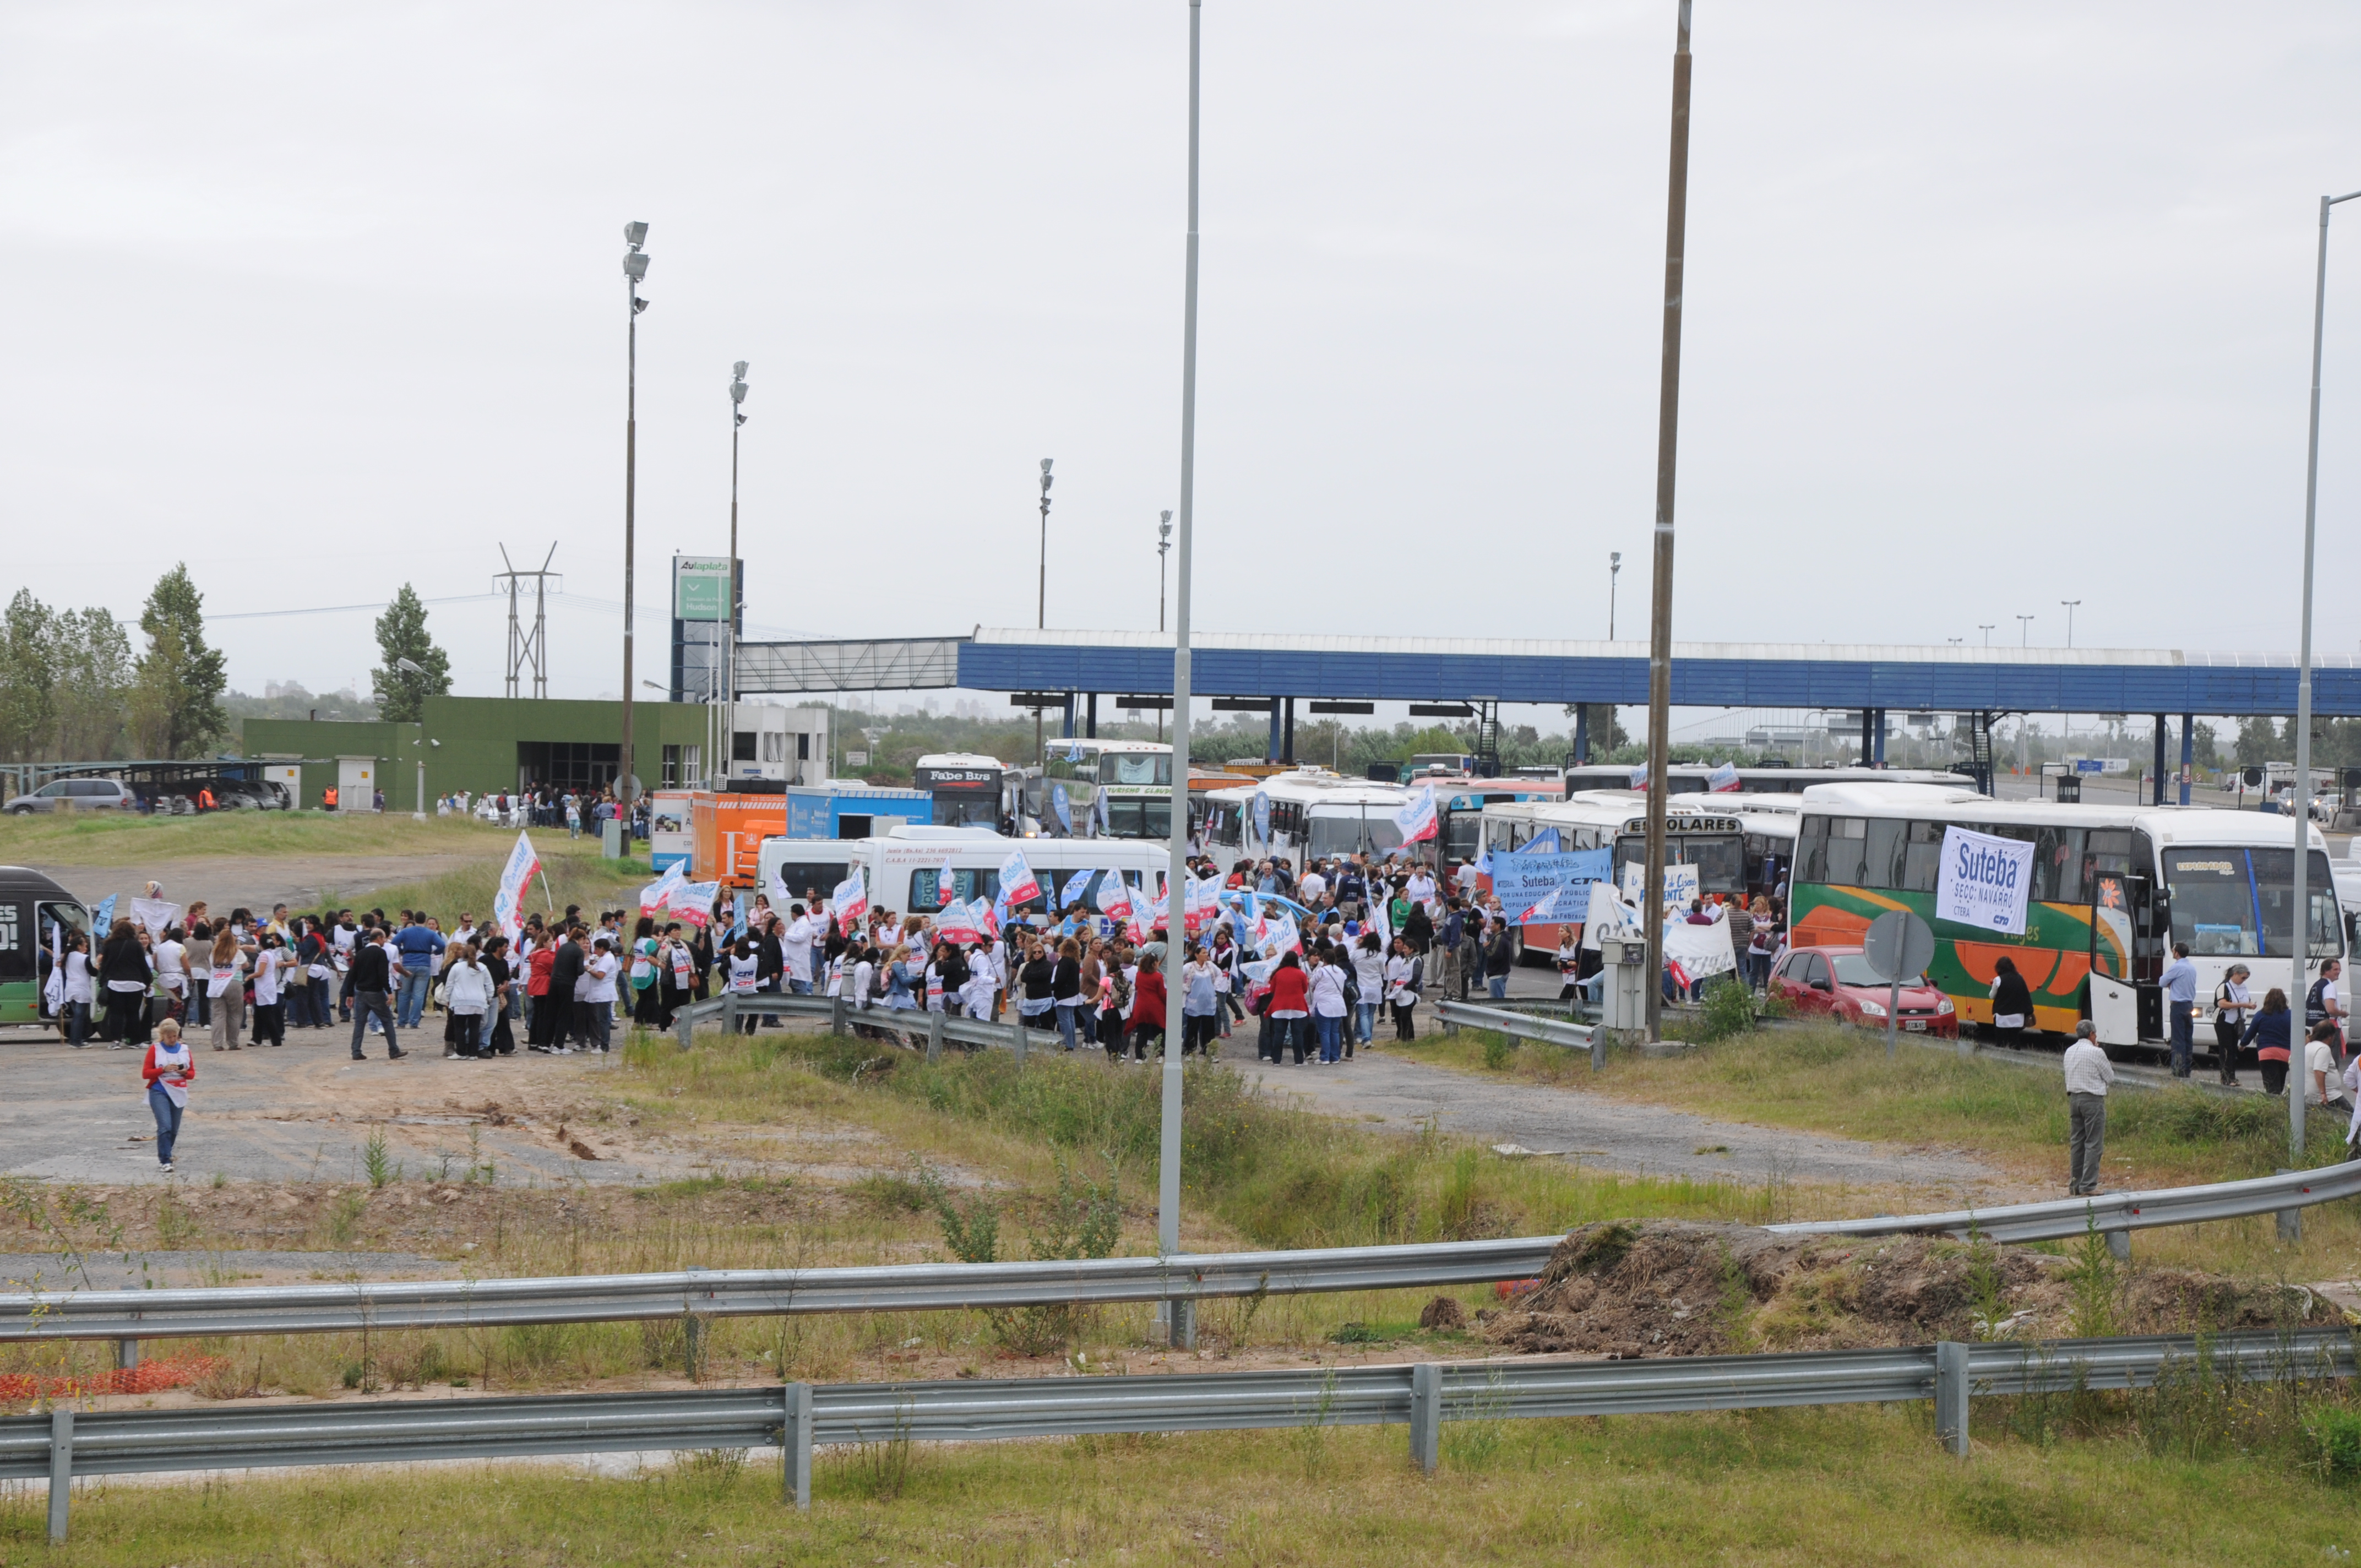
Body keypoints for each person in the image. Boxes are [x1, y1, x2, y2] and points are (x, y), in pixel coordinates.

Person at [2061, 1019, 2114, 1196]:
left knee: (2077, 1143)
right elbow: (2110, 1077)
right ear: (2092, 1034)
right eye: (2095, 1034)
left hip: (2074, 1099)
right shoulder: (2096, 1052)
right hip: (2092, 1100)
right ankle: (2089, 1185)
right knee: (2093, 1143)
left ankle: (2075, 1185)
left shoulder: (2069, 1051)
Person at [142, 1017, 197, 1175]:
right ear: (163, 1036)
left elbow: (192, 1073)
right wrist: (163, 1070)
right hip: (159, 1090)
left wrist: (184, 1072)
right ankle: (165, 1160)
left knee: (174, 1129)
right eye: (169, 1037)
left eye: (175, 1036)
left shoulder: (184, 1050)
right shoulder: (155, 1049)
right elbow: (146, 1073)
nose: (173, 1040)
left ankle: (167, 1152)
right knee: (165, 1126)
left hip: (178, 1092)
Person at [348, 927, 404, 1060]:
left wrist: (350, 994)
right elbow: (383, 975)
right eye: (384, 938)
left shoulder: (361, 953)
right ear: (379, 938)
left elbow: (353, 974)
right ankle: (394, 1050)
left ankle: (356, 1051)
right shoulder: (380, 953)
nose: (385, 941)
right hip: (375, 992)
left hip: (360, 992)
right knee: (387, 1020)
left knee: (360, 1023)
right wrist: (389, 992)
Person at [2241, 987, 2295, 1096]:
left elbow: (2251, 1032)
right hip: (2285, 1053)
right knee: (2280, 1082)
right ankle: (2278, 1099)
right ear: (2284, 1000)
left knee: (2271, 1084)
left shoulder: (2261, 1015)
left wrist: (2243, 1044)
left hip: (2266, 1053)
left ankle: (2273, 1102)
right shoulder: (2291, 1015)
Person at [205, 927, 248, 1052]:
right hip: (234, 983)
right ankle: (233, 1042)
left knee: (218, 1016)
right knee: (235, 1014)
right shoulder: (237, 952)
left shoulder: (214, 953)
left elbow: (210, 966)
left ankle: (217, 1044)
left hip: (216, 985)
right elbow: (246, 965)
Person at [1265, 951, 1310, 1065]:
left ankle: (1277, 1061)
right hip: (1297, 1007)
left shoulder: (1278, 973)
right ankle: (1299, 1061)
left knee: (1279, 1035)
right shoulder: (1301, 974)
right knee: (1297, 1035)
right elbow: (1305, 990)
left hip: (1280, 1007)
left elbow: (1272, 990)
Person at [2160, 940, 2197, 1077]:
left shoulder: (2177, 967)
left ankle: (2178, 1070)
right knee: (2188, 1038)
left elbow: (2162, 982)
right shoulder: (2192, 968)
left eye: (2173, 950)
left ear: (2177, 953)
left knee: (2178, 1040)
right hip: (2189, 1005)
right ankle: (2187, 1070)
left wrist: (2171, 984)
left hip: (2178, 1006)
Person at [1308, 944, 1350, 1064]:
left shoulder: (1322, 971)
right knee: (1335, 1032)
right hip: (1338, 1004)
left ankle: (1325, 1057)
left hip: (1324, 1004)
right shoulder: (1340, 971)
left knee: (1324, 1032)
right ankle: (1335, 1057)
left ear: (1324, 959)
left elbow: (1312, 983)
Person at [2212, 964, 2253, 1086]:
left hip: (2236, 1021)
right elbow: (2222, 1004)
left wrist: (2250, 1004)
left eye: (2246, 978)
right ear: (2235, 974)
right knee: (2226, 1049)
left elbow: (2246, 999)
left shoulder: (2242, 986)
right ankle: (2226, 1078)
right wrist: (2242, 1005)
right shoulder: (2224, 986)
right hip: (2223, 1021)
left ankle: (2232, 1077)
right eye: (2243, 978)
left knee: (2233, 1050)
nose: (2244, 980)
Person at [249, 932, 287, 1048]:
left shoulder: (264, 955)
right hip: (269, 985)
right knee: (259, 1014)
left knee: (266, 1014)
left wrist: (249, 977)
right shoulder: (272, 954)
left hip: (264, 986)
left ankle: (276, 1039)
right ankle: (256, 1038)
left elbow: (260, 972)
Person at [1987, 956, 2032, 1048]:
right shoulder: (2020, 978)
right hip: (2017, 1016)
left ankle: (2002, 1055)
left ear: (1999, 968)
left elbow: (1992, 996)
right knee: (2015, 1041)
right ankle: (2016, 1054)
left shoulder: (1998, 980)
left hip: (2001, 1017)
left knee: (2001, 1043)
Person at [1352, 929, 1386, 1049]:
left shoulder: (1358, 953)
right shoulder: (1379, 955)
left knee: (1363, 1014)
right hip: (1375, 987)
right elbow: (1382, 972)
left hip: (1362, 986)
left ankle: (1365, 1038)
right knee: (1371, 1014)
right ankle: (1368, 1038)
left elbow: (1351, 962)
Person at [2306, 1021, 2351, 1114]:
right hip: (2331, 1096)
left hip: (2313, 1094)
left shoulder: (2308, 1047)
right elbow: (2319, 1071)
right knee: (2352, 1117)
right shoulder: (2323, 1049)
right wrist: (2323, 1093)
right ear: (2330, 1036)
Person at [1130, 952, 1167, 1061]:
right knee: (1159, 1032)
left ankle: (1140, 1057)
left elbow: (1137, 987)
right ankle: (1159, 1056)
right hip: (1156, 1007)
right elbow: (1162, 994)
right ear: (1154, 964)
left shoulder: (1139, 975)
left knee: (1142, 1033)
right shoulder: (1158, 977)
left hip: (1141, 1006)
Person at [1385, 937, 1423, 1041]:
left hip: (1410, 991)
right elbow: (1402, 974)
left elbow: (1416, 976)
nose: (1404, 950)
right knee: (1400, 1015)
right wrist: (1394, 980)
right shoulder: (1406, 960)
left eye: (1406, 948)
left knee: (1405, 1016)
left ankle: (1407, 1037)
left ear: (1412, 949)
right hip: (1401, 990)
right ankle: (1405, 1036)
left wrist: (1407, 987)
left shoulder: (1417, 960)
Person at [1052, 937, 1085, 1051]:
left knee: (1064, 1020)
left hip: (1064, 994)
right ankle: (1072, 1042)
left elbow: (1061, 978)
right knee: (1070, 1019)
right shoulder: (1075, 961)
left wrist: (1052, 987)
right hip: (1073, 993)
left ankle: (1068, 1043)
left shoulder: (1064, 961)